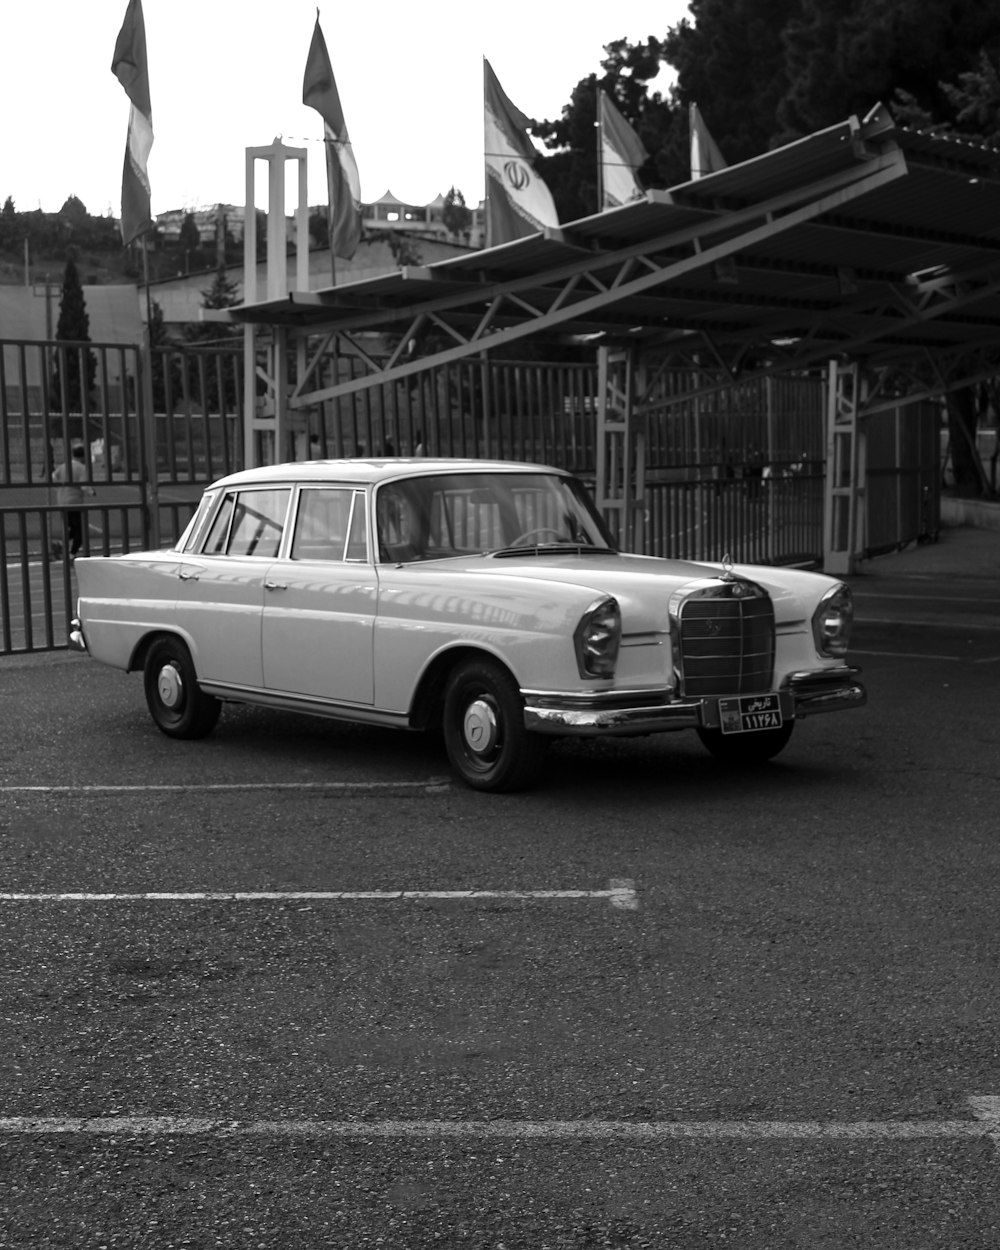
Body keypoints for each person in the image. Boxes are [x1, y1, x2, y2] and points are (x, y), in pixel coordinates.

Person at [52, 444, 95, 558]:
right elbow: (83, 486)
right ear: (84, 456)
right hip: (74, 502)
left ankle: (61, 544)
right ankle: (72, 554)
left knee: (72, 528)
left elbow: (54, 477)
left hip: (62, 501)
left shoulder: (64, 466)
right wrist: (92, 492)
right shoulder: (81, 468)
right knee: (80, 531)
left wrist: (60, 488)